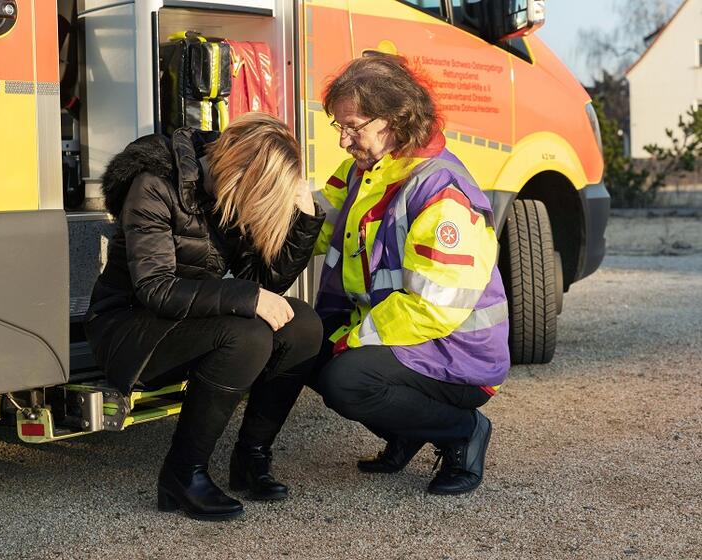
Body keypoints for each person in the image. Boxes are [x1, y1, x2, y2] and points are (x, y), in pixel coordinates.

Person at [85, 113, 325, 520]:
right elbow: (155, 288)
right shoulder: (154, 184)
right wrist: (247, 297)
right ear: (240, 171)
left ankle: (251, 459)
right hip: (128, 329)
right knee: (246, 335)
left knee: (302, 326)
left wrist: (302, 224)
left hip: (186, 322)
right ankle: (182, 473)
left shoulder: (231, 192)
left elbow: (261, 283)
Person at [311, 54, 510, 495]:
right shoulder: (364, 171)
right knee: (302, 345)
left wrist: (353, 338)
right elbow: (314, 225)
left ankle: (463, 432)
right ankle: (407, 430)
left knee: (346, 380)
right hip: (411, 341)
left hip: (458, 356)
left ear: (394, 120)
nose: (344, 140)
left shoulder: (441, 192)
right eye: (337, 126)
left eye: (353, 126)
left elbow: (435, 306)